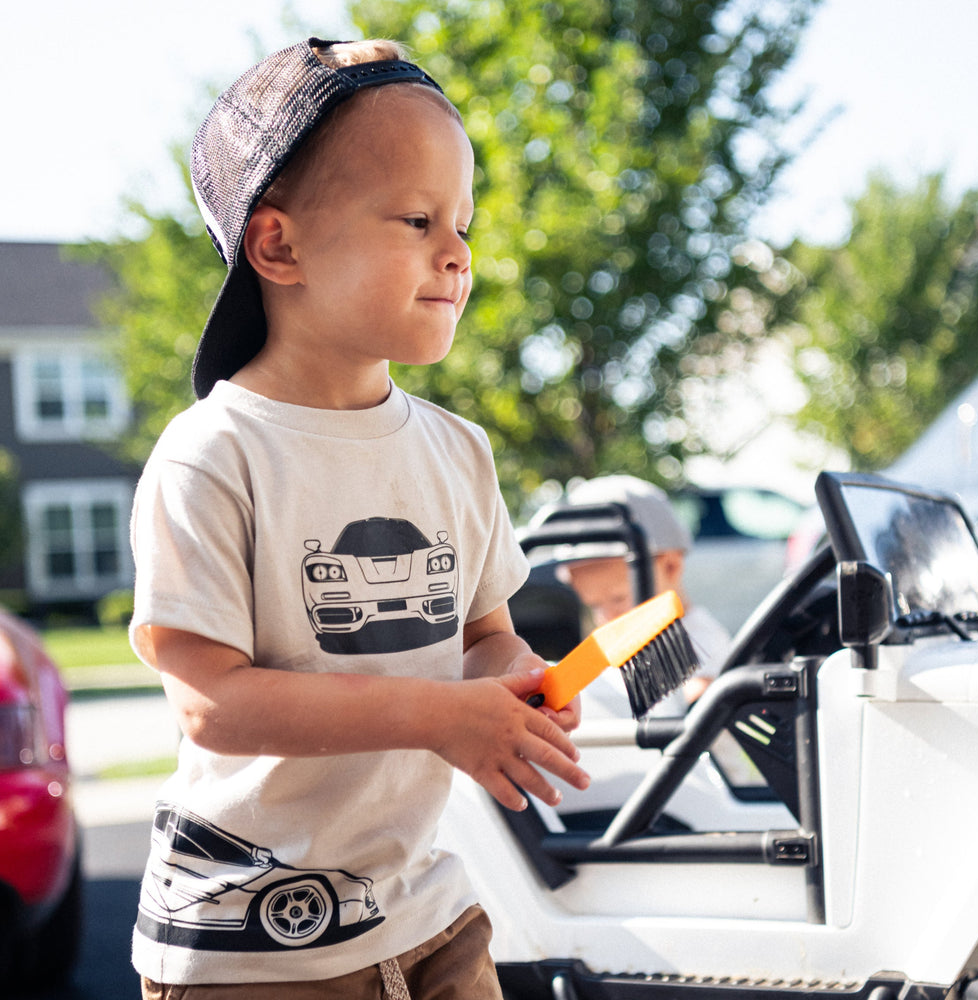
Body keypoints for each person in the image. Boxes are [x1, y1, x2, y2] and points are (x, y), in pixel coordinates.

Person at [127, 37, 588, 1000]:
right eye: (418, 219)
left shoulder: (458, 451)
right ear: (278, 244)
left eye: (462, 222)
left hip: (425, 907)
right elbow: (213, 700)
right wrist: (438, 717)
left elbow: (483, 639)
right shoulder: (214, 454)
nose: (457, 254)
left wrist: (514, 686)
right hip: (251, 943)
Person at [551, 474, 730, 712]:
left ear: (670, 566)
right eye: (594, 605)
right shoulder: (621, 646)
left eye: (618, 598)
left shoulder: (699, 638)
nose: (608, 616)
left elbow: (698, 704)